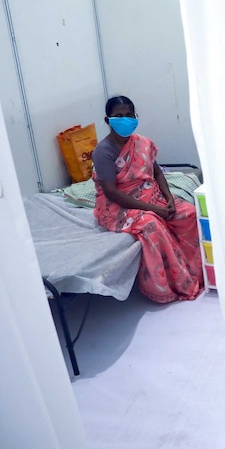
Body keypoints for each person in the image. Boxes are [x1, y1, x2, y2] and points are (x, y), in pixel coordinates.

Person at [92, 96, 204, 303]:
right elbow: (111, 192)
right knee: (151, 225)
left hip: (150, 196)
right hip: (119, 206)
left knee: (188, 213)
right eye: (118, 116)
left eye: (129, 115)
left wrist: (168, 198)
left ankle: (196, 272)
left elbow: (157, 173)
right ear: (108, 120)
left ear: (135, 117)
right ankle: (169, 285)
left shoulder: (143, 143)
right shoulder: (103, 152)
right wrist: (153, 210)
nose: (125, 119)